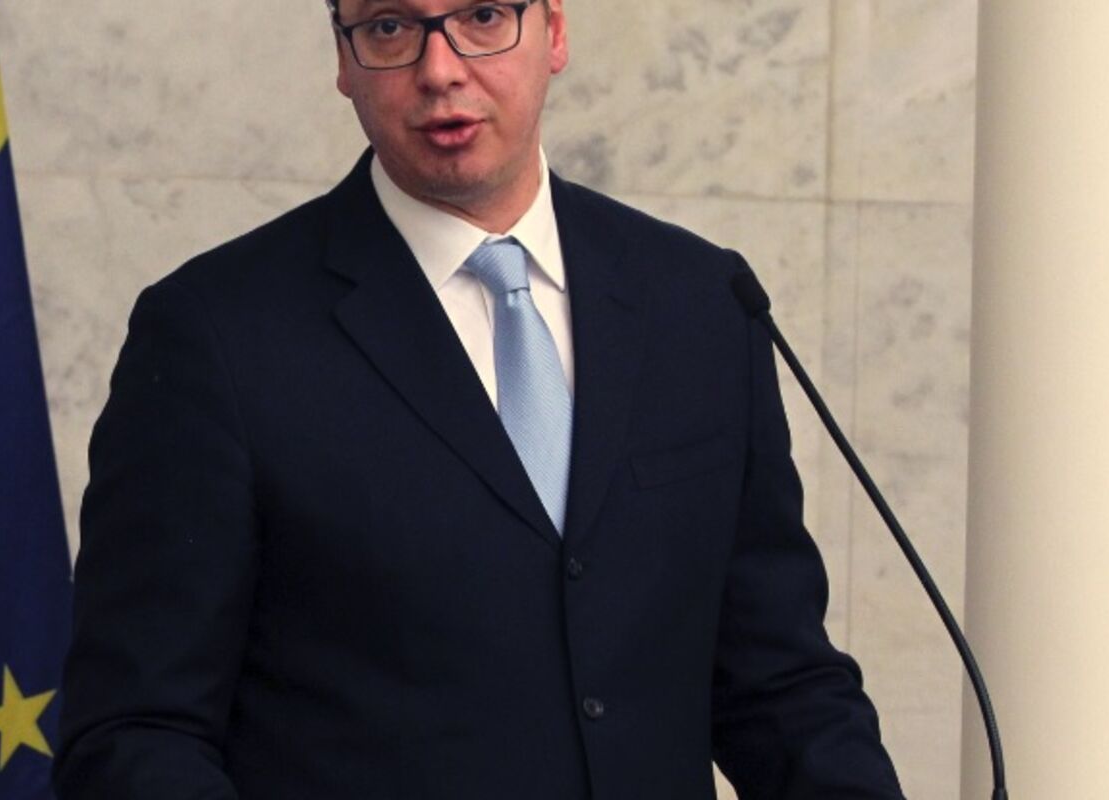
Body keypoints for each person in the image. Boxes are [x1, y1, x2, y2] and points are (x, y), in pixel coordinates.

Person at [54, 0, 904, 797]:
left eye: (485, 15)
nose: (440, 70)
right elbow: (135, 732)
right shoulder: (215, 334)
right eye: (391, 27)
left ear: (554, 30)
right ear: (343, 59)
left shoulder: (701, 301)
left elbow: (778, 684)